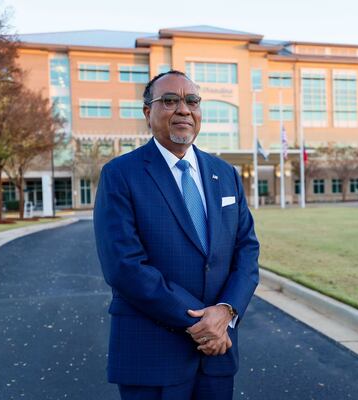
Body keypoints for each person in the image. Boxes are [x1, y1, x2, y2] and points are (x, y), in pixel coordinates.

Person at [94, 70, 260, 400]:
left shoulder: (225, 174)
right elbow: (124, 266)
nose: (183, 109)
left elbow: (246, 249)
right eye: (169, 100)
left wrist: (226, 311)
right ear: (147, 112)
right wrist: (204, 323)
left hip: (216, 354)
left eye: (192, 101)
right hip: (152, 354)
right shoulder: (120, 175)